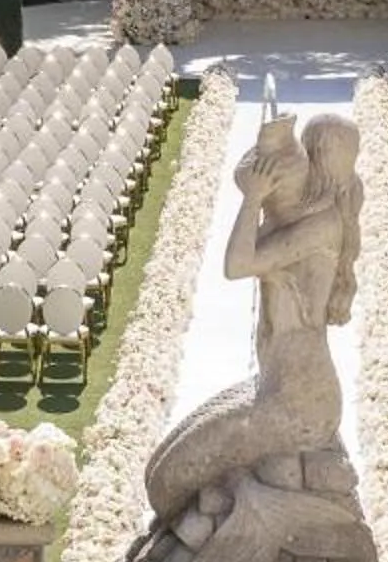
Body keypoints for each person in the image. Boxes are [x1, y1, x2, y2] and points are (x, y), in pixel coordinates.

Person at [138, 109, 360, 523]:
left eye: (307, 158)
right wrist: (258, 187)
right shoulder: (296, 219)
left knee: (168, 481)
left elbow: (237, 265)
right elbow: (247, 233)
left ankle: (231, 522)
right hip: (274, 386)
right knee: (162, 466)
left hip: (302, 402)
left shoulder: (321, 229)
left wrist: (254, 197)